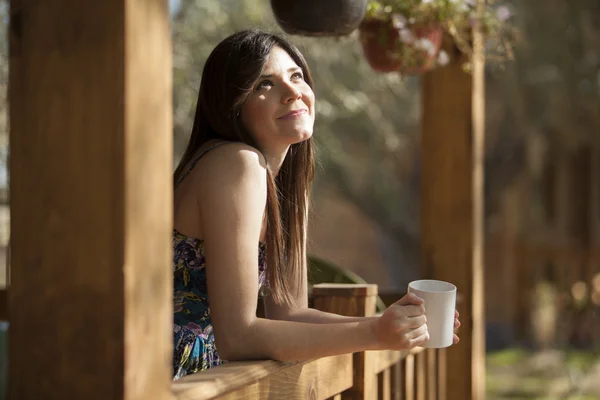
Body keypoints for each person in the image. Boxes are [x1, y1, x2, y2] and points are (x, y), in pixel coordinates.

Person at [172, 29, 460, 380]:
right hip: (159, 377)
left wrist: (388, 325)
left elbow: (290, 314)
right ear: (231, 105)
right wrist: (372, 334)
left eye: (296, 76)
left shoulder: (286, 184)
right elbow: (237, 335)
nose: (293, 91)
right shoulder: (235, 163)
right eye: (265, 84)